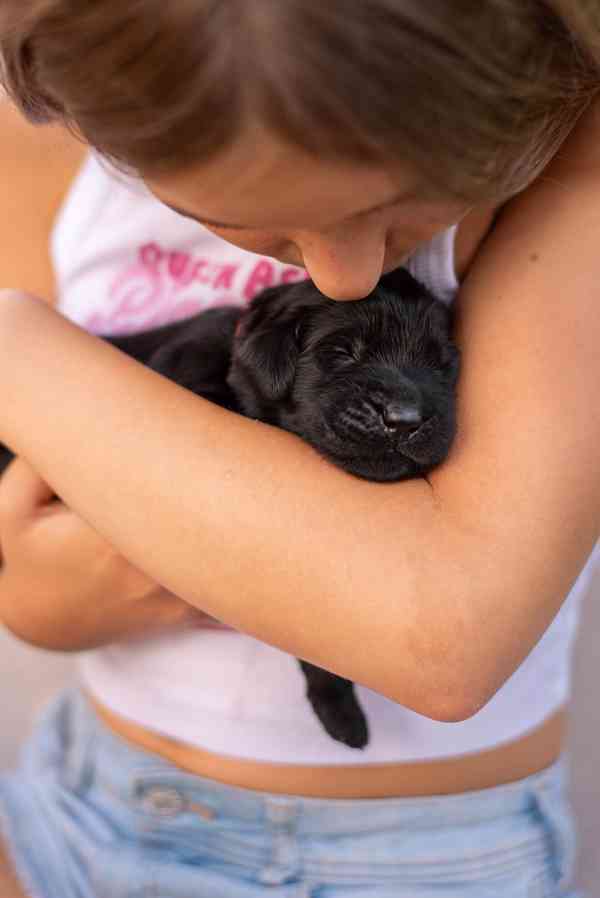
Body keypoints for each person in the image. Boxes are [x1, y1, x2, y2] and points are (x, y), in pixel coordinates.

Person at [0, 1, 598, 895]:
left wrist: (21, 353)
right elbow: (27, 533)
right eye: (248, 220)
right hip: (72, 792)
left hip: (396, 857)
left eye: (402, 207)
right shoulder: (47, 154)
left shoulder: (573, 171)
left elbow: (443, 639)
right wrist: (39, 606)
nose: (344, 272)